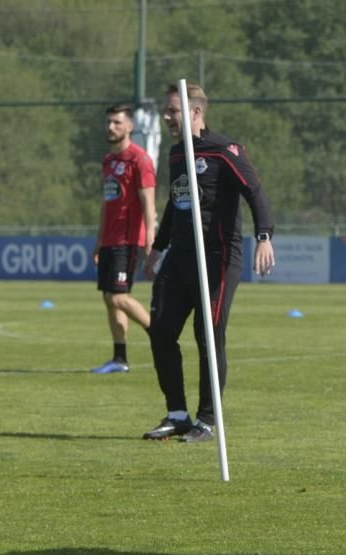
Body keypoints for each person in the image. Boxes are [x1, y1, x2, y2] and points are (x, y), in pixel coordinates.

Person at [142, 83, 275, 443]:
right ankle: (177, 413)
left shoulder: (224, 150)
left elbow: (255, 192)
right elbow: (176, 201)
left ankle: (207, 418)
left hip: (217, 258)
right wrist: (158, 247)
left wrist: (264, 237)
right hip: (180, 258)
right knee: (161, 330)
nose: (167, 117)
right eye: (166, 110)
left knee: (208, 335)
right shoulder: (174, 154)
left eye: (173, 110)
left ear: (196, 112)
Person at [91, 103, 157, 374]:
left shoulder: (139, 160)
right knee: (110, 299)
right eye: (109, 122)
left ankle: (159, 332)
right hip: (109, 240)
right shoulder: (108, 161)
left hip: (128, 240)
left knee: (118, 297)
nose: (111, 127)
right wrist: (98, 241)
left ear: (130, 126)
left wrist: (151, 241)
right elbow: (107, 205)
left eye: (117, 122)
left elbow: (148, 204)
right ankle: (119, 359)